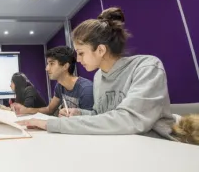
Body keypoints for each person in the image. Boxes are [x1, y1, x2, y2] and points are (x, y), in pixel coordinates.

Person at [17, 7, 176, 140]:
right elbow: (100, 115)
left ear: (100, 50)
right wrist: (79, 113)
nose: (78, 60)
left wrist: (51, 124)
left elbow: (130, 120)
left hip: (157, 148)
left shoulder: (147, 66)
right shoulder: (99, 76)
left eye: (81, 53)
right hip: (120, 145)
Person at [12, 46, 94, 116]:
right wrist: (25, 110)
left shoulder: (86, 89)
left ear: (65, 66)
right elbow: (49, 110)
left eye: (52, 64)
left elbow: (90, 122)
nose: (47, 68)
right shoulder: (59, 86)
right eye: (48, 64)